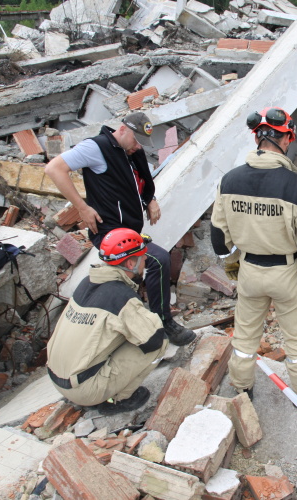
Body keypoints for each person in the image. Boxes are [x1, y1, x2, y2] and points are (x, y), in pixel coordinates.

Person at [210, 106, 297, 404]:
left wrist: (231, 262)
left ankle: (241, 386)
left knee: (245, 333)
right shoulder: (296, 186)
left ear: (256, 139)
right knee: (296, 335)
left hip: (250, 270)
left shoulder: (229, 181)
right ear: (287, 138)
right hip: (286, 273)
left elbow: (218, 233)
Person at [44, 112, 195, 346]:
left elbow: (137, 182)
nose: (138, 147)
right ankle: (163, 323)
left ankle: (135, 322)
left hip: (129, 231)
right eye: (135, 140)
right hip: (109, 232)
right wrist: (82, 208)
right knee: (158, 260)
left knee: (135, 272)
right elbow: (54, 169)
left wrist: (150, 199)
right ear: (123, 129)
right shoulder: (97, 148)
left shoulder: (130, 151)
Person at [46, 229, 169, 415]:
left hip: (59, 378)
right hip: (84, 390)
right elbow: (154, 338)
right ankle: (118, 400)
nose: (145, 260)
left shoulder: (87, 282)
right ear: (130, 263)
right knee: (159, 341)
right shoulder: (121, 297)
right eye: (143, 257)